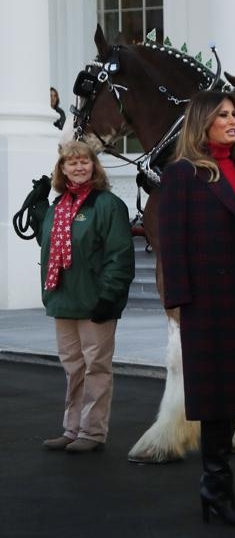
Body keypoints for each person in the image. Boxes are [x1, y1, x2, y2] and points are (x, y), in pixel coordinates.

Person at [158, 90, 235, 526]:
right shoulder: (182, 173)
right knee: (217, 398)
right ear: (202, 121)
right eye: (222, 115)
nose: (232, 120)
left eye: (234, 114)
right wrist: (179, 302)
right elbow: (172, 242)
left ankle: (216, 489)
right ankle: (215, 488)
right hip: (208, 303)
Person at [36, 140, 134, 453]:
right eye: (72, 163)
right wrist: (38, 213)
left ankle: (92, 433)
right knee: (74, 369)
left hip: (95, 301)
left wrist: (109, 296)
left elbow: (119, 254)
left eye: (85, 162)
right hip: (63, 300)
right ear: (62, 170)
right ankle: (72, 428)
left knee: (96, 368)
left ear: (94, 165)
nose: (79, 167)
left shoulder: (107, 205)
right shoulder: (57, 206)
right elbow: (51, 249)